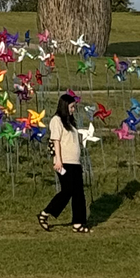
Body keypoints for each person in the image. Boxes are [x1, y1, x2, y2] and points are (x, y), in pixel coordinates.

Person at [38, 92, 91, 233]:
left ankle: (78, 223)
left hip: (75, 162)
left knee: (79, 193)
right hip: (64, 162)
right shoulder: (56, 120)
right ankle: (45, 213)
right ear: (64, 106)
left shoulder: (71, 123)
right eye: (71, 107)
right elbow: (56, 140)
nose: (73, 110)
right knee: (67, 191)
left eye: (74, 107)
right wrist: (58, 160)